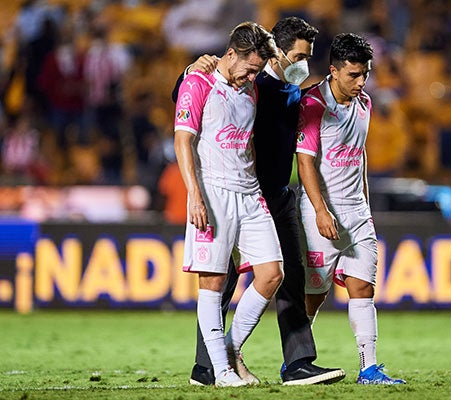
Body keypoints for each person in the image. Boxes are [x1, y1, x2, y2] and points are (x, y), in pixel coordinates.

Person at [173, 16, 346, 386]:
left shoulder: (290, 91)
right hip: (229, 191)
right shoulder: (255, 84)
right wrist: (190, 68)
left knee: (286, 275)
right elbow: (190, 100)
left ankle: (296, 362)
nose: (304, 64)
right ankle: (210, 367)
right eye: (299, 55)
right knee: (220, 282)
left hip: (272, 195)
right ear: (278, 54)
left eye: (308, 56)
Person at [173, 21, 283, 388]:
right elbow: (182, 141)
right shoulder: (198, 82)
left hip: (249, 193)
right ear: (231, 54)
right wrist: (194, 194)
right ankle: (219, 371)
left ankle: (229, 352)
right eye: (249, 68)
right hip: (214, 192)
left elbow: (246, 140)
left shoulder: (249, 88)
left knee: (272, 274)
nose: (252, 76)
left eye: (257, 70)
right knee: (214, 283)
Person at [296, 33, 406, 385]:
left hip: (357, 213)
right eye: (353, 75)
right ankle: (295, 359)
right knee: (314, 294)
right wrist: (320, 210)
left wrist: (366, 204)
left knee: (362, 288)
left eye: (365, 75)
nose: (361, 82)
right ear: (333, 71)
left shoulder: (365, 104)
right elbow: (305, 162)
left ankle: (368, 367)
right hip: (320, 213)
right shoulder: (312, 104)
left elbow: (359, 155)